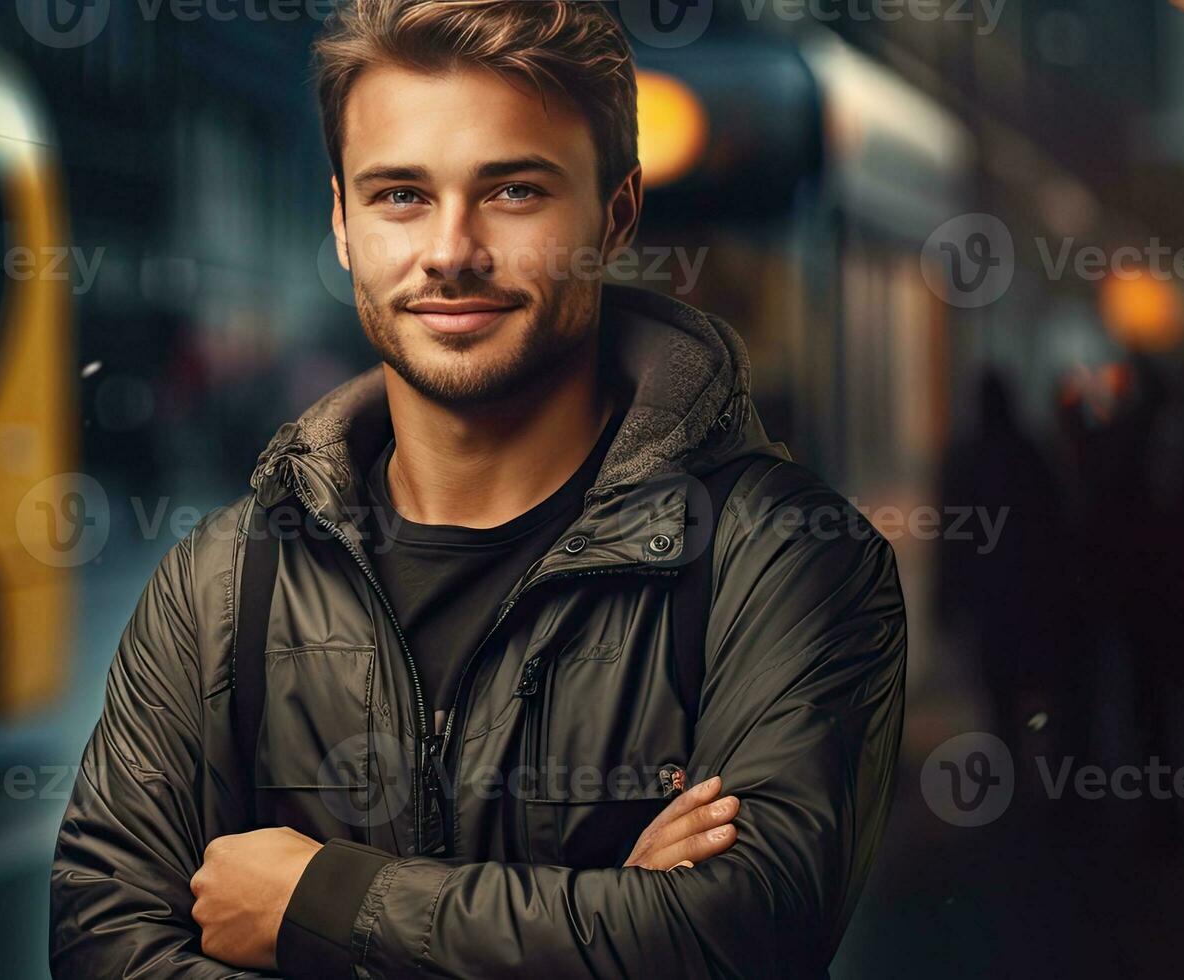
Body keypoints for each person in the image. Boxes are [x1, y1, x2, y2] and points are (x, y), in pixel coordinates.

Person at [50, 2, 908, 977]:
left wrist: (319, 902)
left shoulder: (785, 557)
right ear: (340, 220)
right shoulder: (220, 581)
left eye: (510, 191)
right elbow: (97, 939)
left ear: (612, 215)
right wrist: (606, 922)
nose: (450, 250)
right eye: (400, 196)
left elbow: (738, 931)